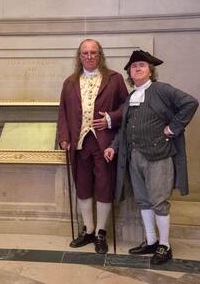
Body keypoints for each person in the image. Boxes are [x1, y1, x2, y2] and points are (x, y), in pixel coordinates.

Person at [104, 50, 198, 264]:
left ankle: (165, 246)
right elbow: (125, 127)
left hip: (158, 156)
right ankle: (151, 241)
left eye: (142, 65)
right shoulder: (130, 97)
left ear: (150, 71)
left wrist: (173, 129)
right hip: (134, 156)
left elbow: (190, 103)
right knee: (143, 201)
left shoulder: (161, 90)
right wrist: (113, 146)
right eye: (133, 66)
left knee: (159, 201)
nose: (137, 68)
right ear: (129, 72)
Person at [57, 39, 128, 254]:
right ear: (79, 56)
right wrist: (63, 137)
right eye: (85, 53)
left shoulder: (114, 79)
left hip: (104, 143)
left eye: (93, 52)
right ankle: (87, 230)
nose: (89, 56)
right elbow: (62, 113)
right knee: (83, 186)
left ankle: (100, 232)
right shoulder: (69, 82)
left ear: (100, 55)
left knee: (105, 186)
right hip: (79, 144)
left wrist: (110, 119)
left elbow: (127, 107)